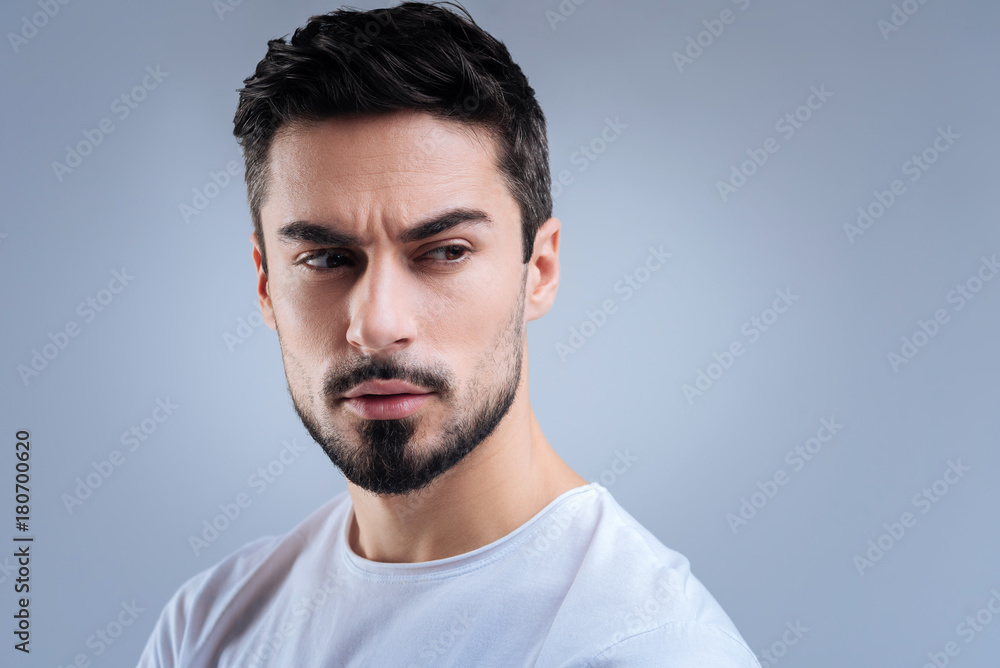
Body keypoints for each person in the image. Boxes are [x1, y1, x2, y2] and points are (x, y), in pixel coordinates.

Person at [137, 2, 760, 665]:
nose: (375, 325)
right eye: (324, 259)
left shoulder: (648, 648)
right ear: (266, 285)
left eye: (443, 252)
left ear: (538, 271)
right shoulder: (206, 628)